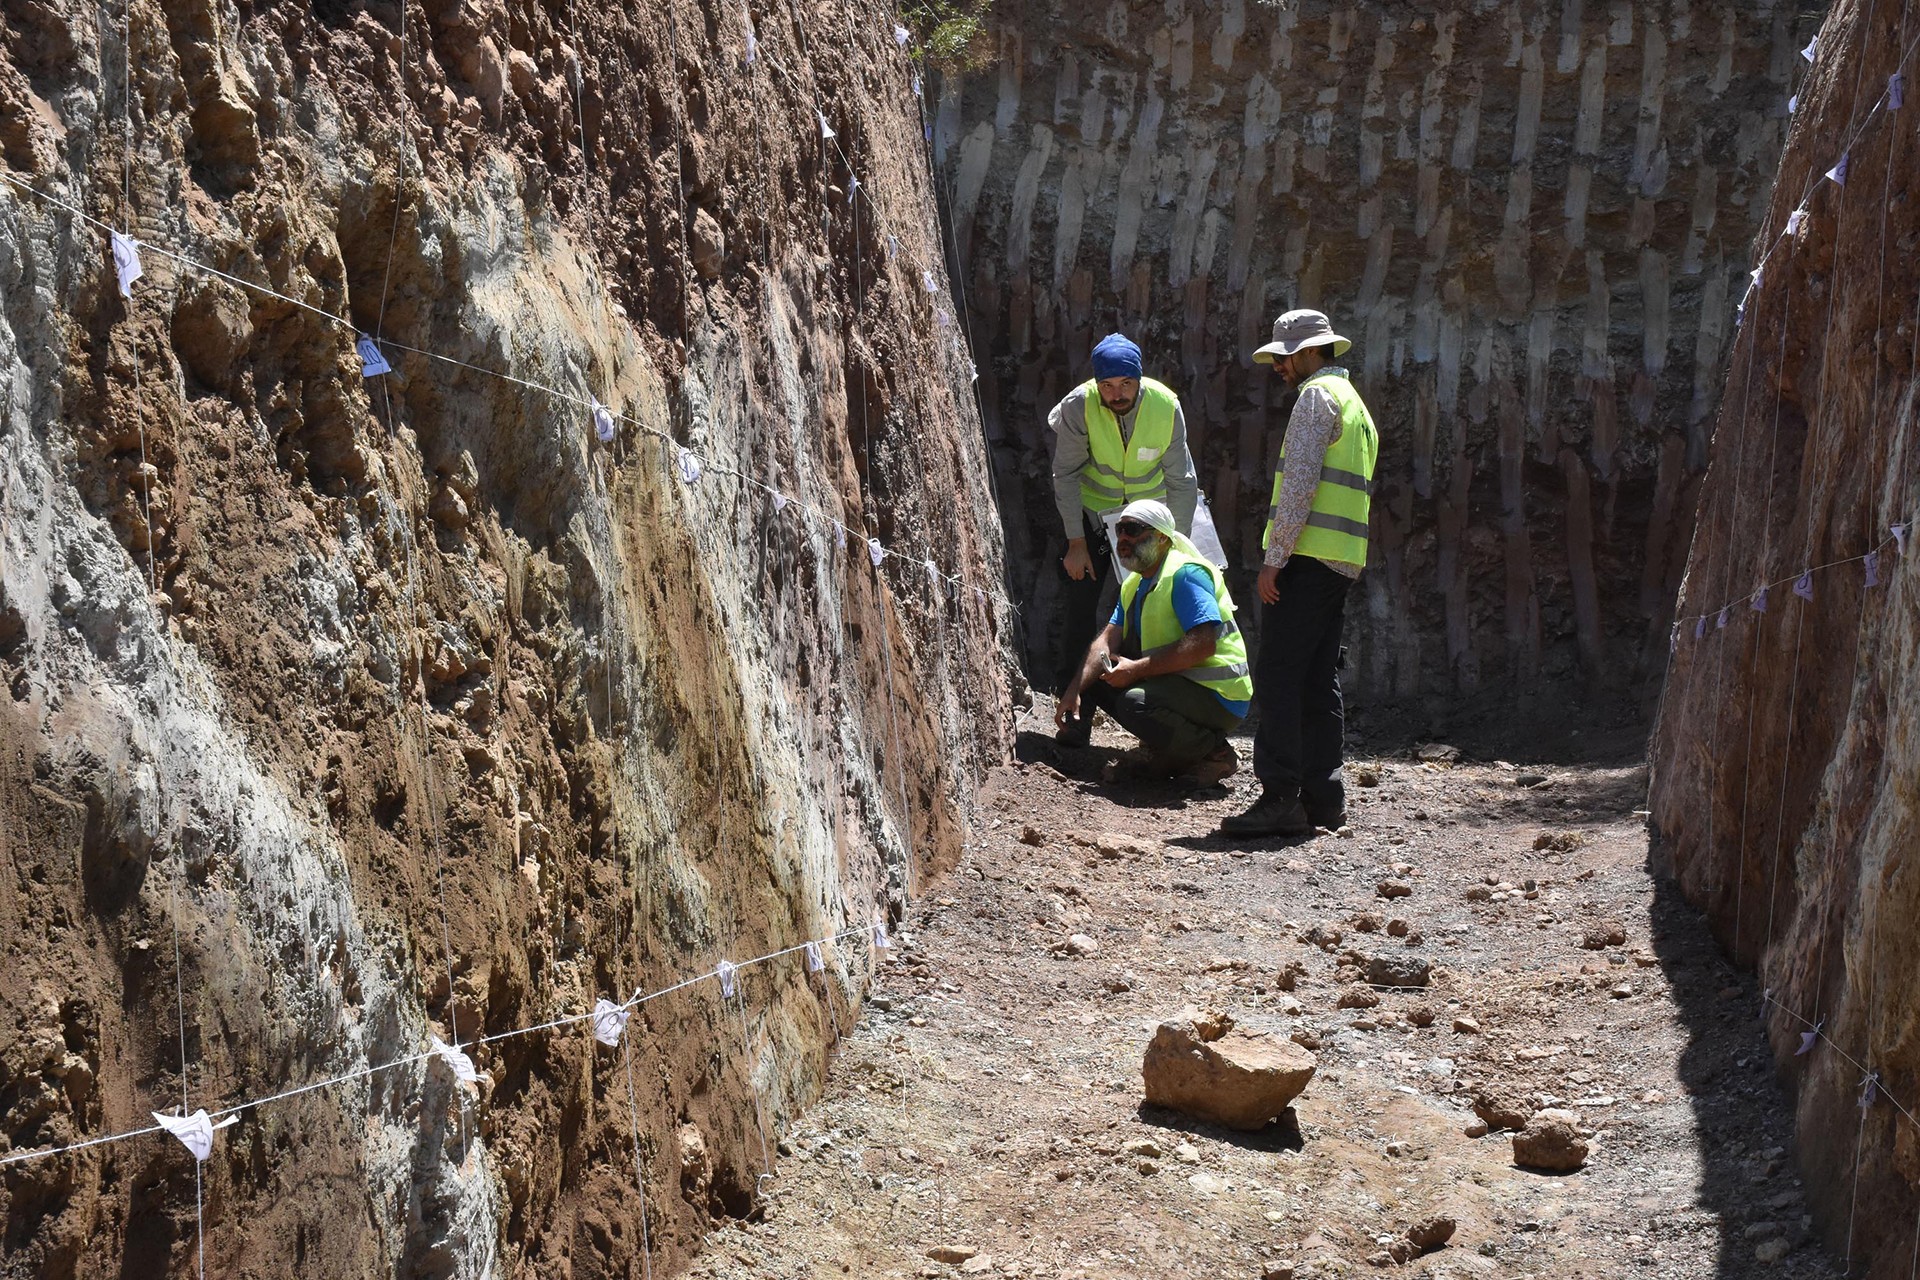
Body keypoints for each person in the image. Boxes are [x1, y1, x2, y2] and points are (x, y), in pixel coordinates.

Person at [1220, 310, 1379, 839]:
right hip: (1341, 560)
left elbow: (1299, 486)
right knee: (1316, 679)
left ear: (1308, 352)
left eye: (1284, 357)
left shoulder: (1316, 398)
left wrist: (1275, 558)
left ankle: (1280, 796)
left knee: (1279, 676)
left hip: (1307, 558)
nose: (1278, 367)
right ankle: (1323, 800)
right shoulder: (1356, 405)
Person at [1048, 333, 1198, 743]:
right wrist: (1076, 542)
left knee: (1136, 614)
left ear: (1139, 380)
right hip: (1095, 520)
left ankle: (1147, 717)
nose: (1116, 394)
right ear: (1096, 385)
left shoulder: (1166, 406)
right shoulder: (1079, 406)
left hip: (1147, 522)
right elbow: (1066, 475)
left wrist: (1175, 548)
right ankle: (1074, 713)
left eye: (1125, 385)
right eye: (1107, 386)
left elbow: (1182, 481)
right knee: (1081, 610)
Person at [1052, 499, 1249, 784]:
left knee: (1135, 703)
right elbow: (1107, 639)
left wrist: (1136, 670)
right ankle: (1171, 747)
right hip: (1179, 683)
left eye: (1132, 530)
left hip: (1219, 694)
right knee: (1095, 674)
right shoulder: (1134, 582)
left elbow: (1203, 644)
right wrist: (1073, 691)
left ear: (1161, 538)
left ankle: (1213, 752)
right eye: (1119, 530)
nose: (1122, 539)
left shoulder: (1185, 574)